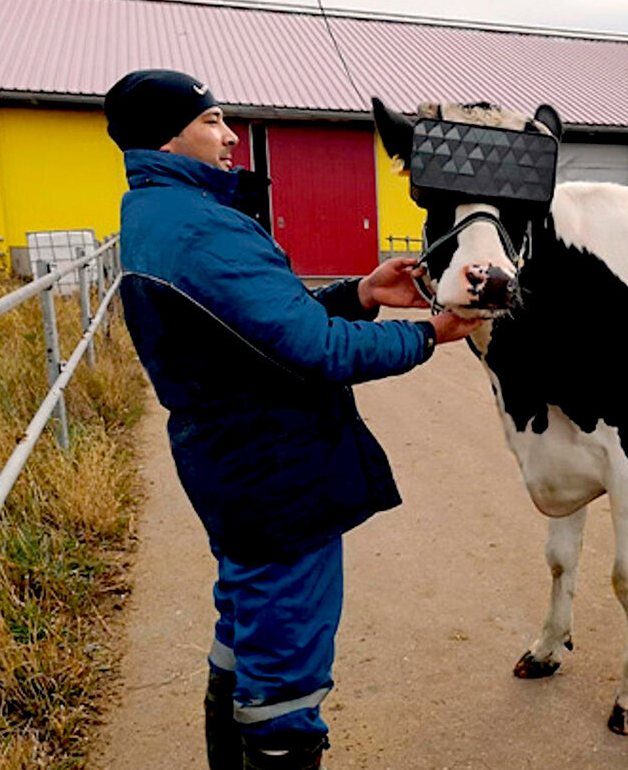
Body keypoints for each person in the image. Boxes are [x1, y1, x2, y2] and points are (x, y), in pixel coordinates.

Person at [103, 69, 482, 770]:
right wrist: (429, 333)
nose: (230, 134)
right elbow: (317, 348)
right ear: (169, 134)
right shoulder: (201, 228)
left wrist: (361, 292)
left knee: (246, 628)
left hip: (232, 460)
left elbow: (263, 331)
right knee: (285, 672)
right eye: (213, 119)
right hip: (274, 471)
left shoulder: (160, 214)